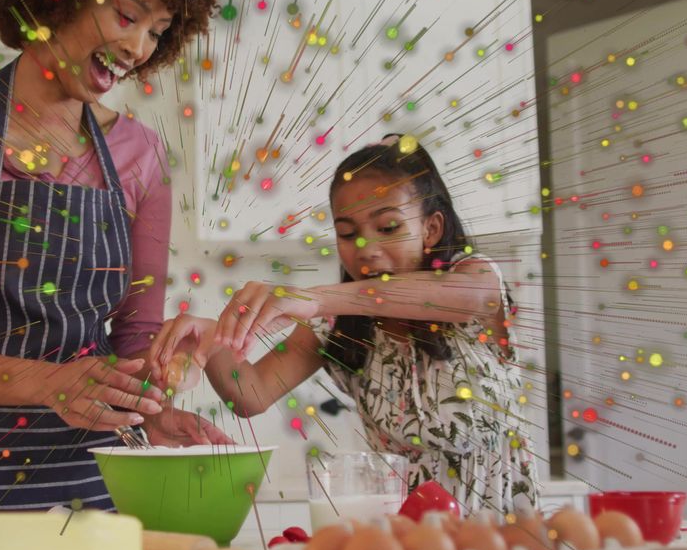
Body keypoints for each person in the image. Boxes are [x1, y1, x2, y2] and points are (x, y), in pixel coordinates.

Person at [0, 0, 226, 535]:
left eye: (156, 32)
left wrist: (154, 413)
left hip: (98, 475)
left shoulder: (141, 155)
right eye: (128, 15)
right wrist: (49, 384)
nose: (137, 47)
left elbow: (137, 334)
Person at [150, 134, 541, 516]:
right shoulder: (341, 326)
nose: (365, 249)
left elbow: (471, 296)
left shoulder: (472, 280)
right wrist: (211, 338)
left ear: (432, 229)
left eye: (387, 227)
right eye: (347, 233)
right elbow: (250, 394)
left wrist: (316, 298)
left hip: (506, 542)